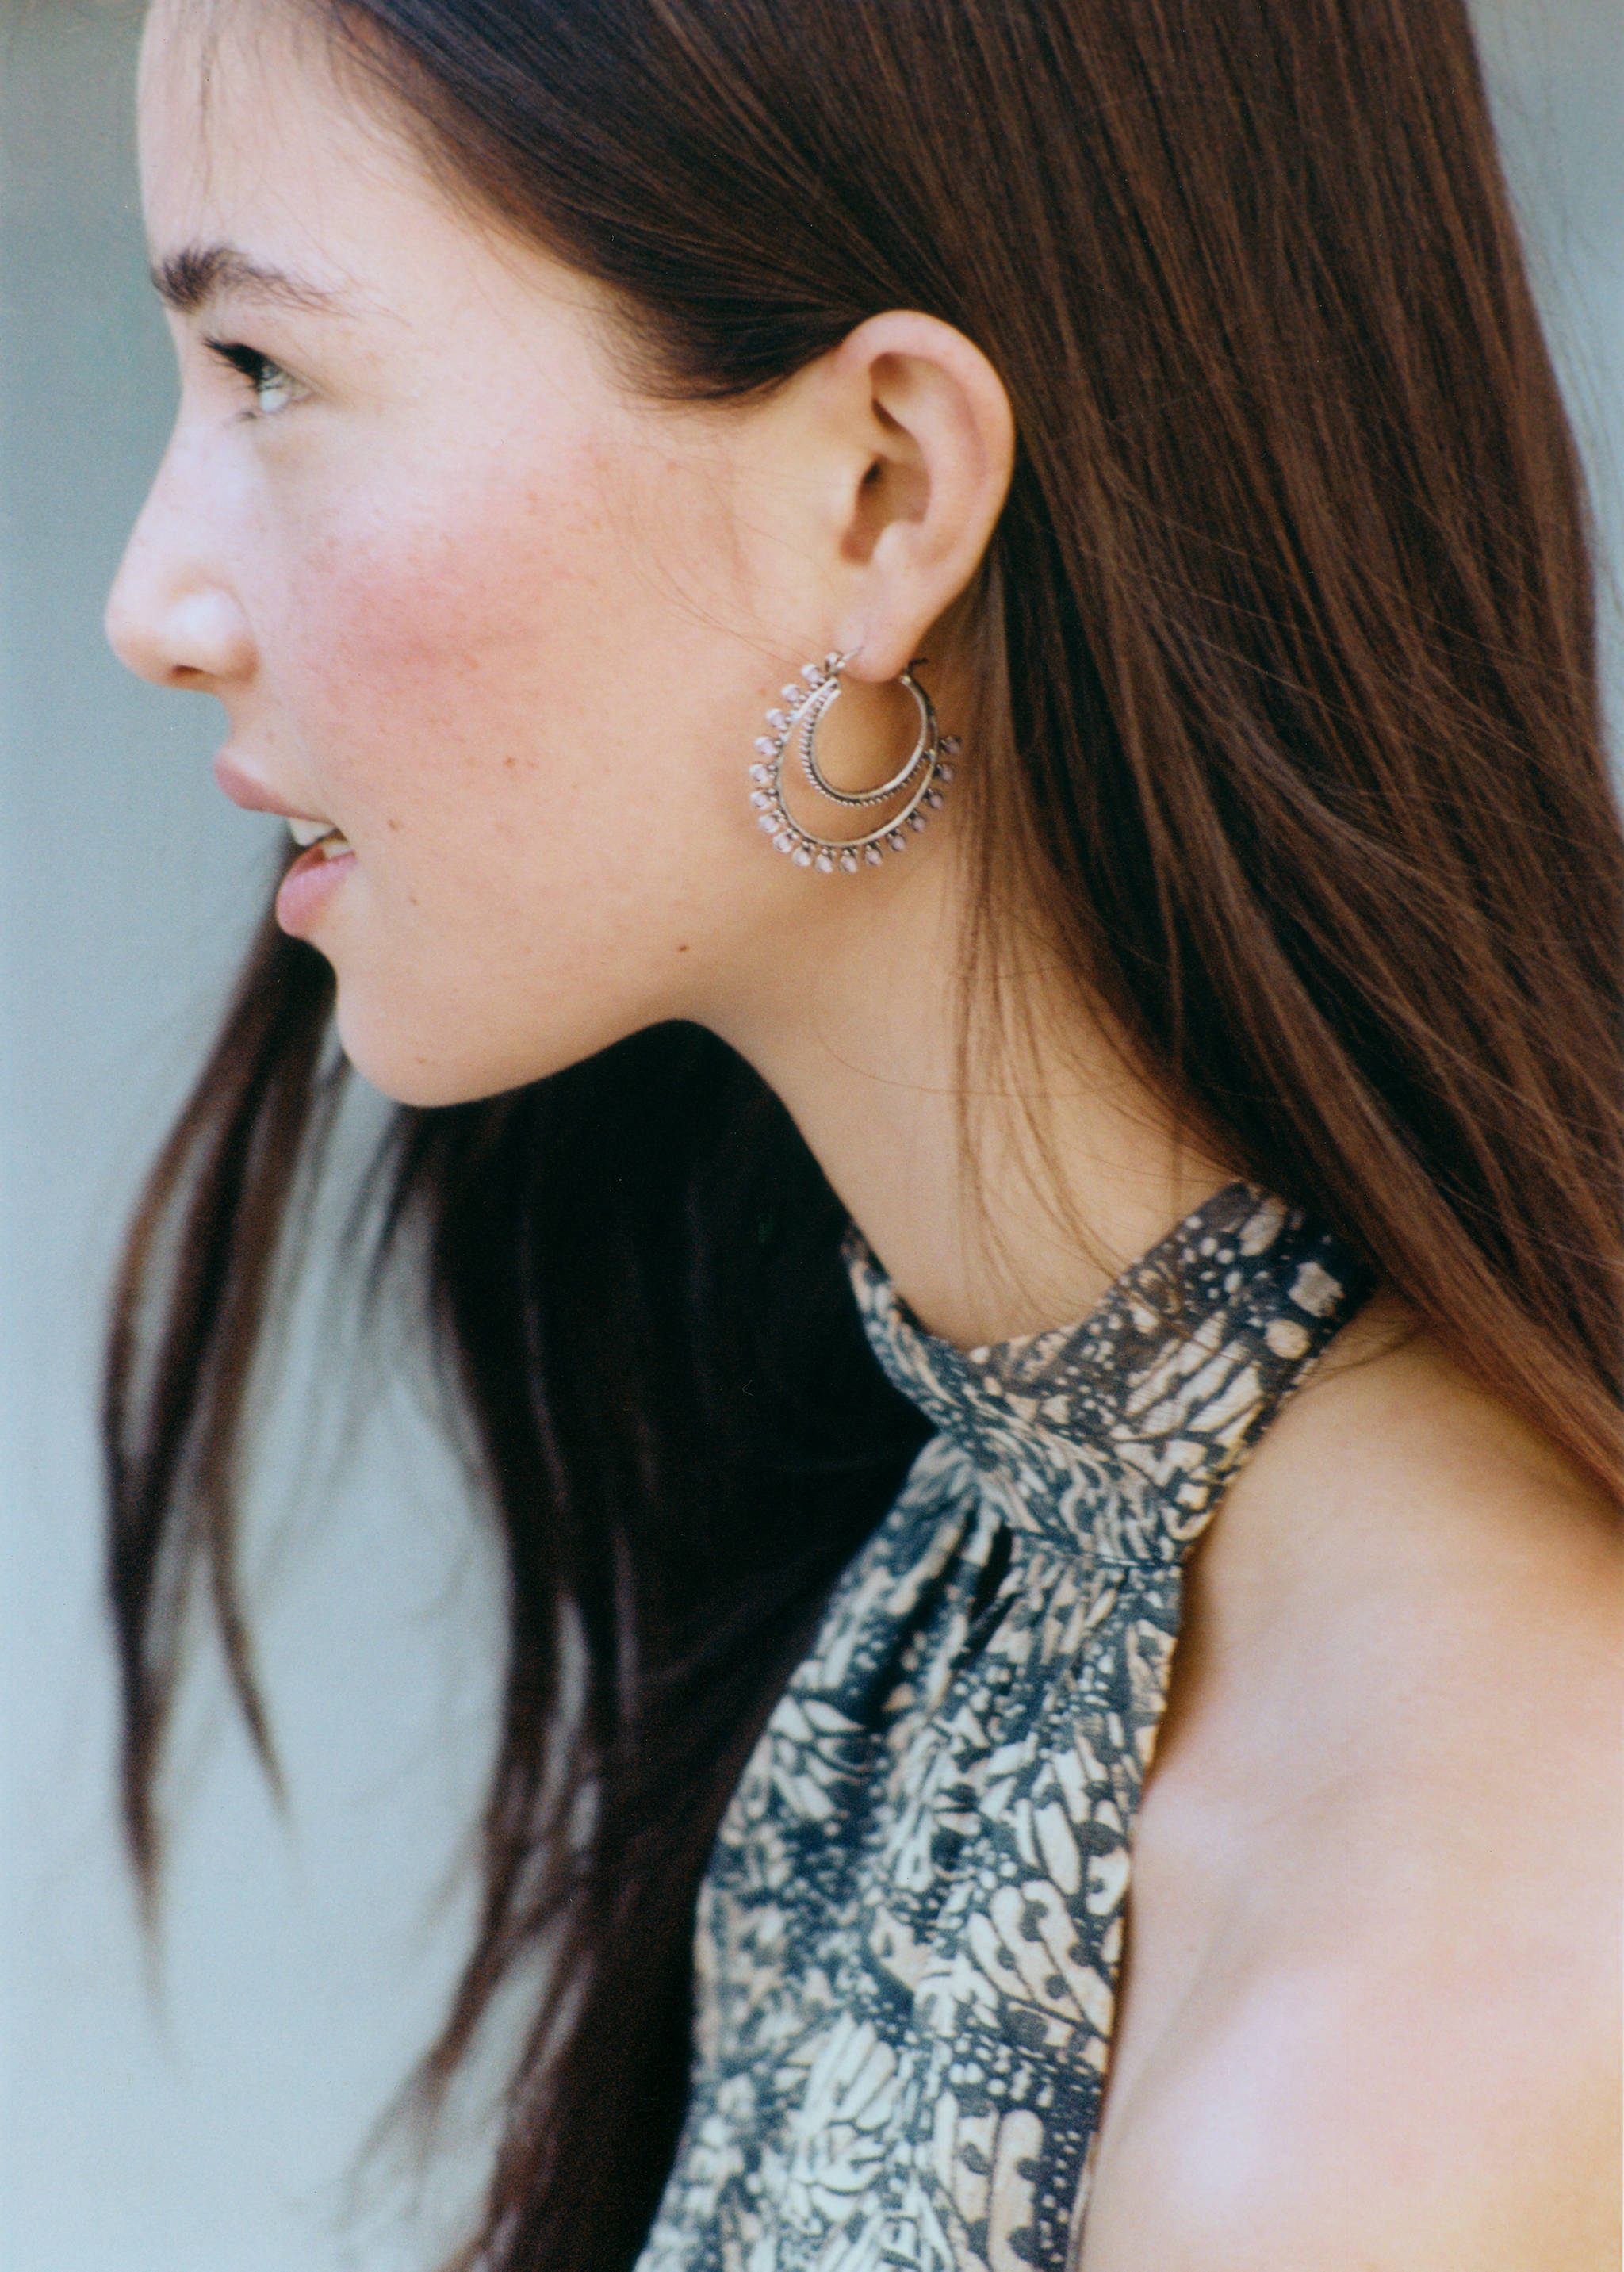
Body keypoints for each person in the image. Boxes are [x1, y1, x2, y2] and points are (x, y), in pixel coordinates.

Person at [102, 0, 1622, 2266]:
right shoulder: (980, 1530)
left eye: (268, 374)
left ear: (883, 492)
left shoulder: (1384, 2092)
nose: (156, 608)